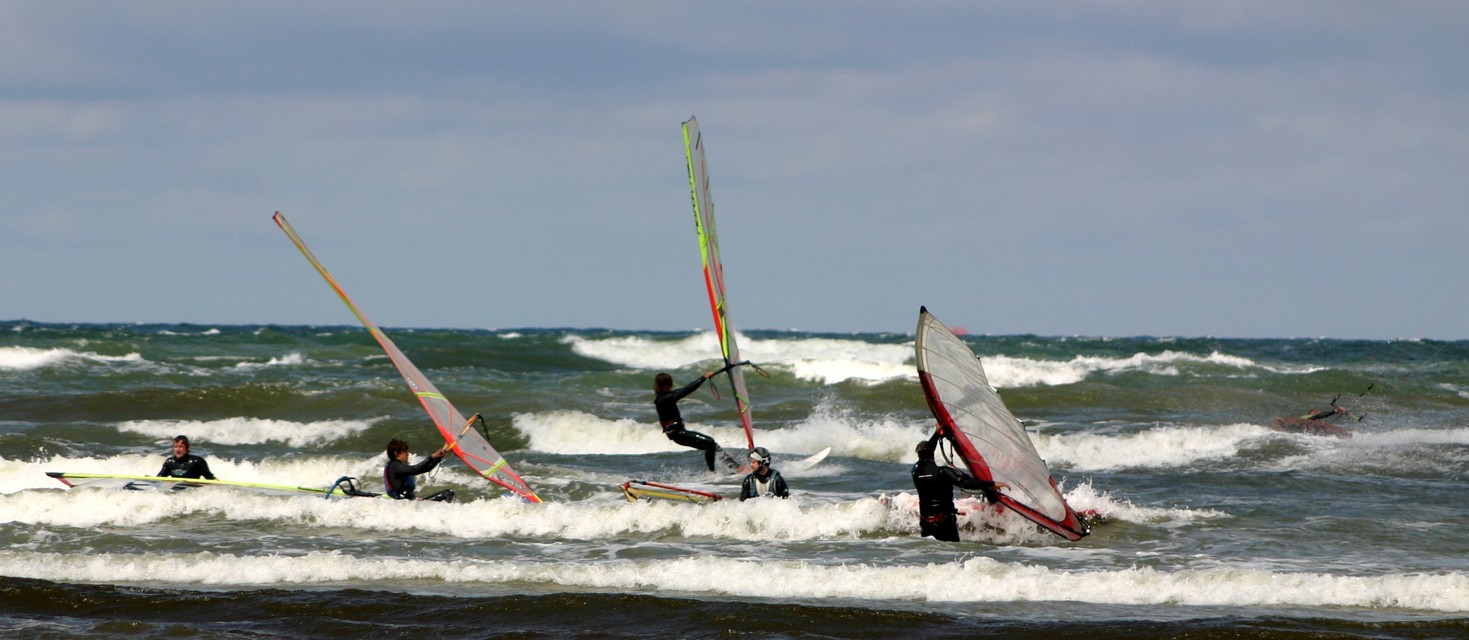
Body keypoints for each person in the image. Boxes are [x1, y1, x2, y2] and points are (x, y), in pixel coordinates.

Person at [911, 431, 1008, 542]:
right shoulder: (943, 472)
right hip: (944, 524)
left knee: (931, 551)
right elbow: (966, 483)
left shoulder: (916, 471)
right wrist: (992, 483)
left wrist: (937, 434)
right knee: (951, 550)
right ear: (932, 453)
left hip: (926, 524)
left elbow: (926, 453)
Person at [653, 371, 733, 472]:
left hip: (679, 434)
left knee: (713, 445)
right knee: (710, 443)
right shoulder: (666, 399)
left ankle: (735, 467)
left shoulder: (662, 398)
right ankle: (712, 473)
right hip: (679, 434)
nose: (672, 387)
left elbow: (683, 390)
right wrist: (703, 377)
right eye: (670, 385)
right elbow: (687, 389)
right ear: (665, 386)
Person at [383, 438, 455, 502]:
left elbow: (427, 468)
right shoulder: (395, 466)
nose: (408, 454)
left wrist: (441, 454)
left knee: (447, 494)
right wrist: (433, 456)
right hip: (403, 503)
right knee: (447, 494)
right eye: (405, 452)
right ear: (396, 453)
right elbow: (414, 469)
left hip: (409, 502)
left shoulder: (398, 466)